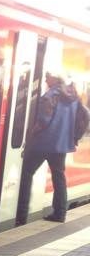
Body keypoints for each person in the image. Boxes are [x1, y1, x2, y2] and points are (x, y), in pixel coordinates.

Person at [16, 73, 82, 224]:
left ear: (54, 78)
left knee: (26, 173)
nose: (45, 79)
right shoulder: (73, 96)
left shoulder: (51, 95)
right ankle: (60, 213)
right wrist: (75, 136)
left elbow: (43, 120)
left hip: (43, 143)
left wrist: (31, 136)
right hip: (61, 144)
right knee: (59, 177)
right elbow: (84, 116)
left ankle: (21, 216)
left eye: (47, 77)